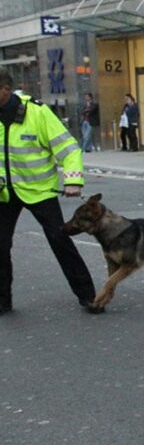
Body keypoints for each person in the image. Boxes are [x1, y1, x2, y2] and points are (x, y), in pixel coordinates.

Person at [0, 68, 101, 316]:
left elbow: (68, 148)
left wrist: (73, 180)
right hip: (3, 192)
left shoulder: (37, 112)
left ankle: (89, 296)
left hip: (39, 190)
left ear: (4, 89)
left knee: (60, 240)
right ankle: (3, 301)